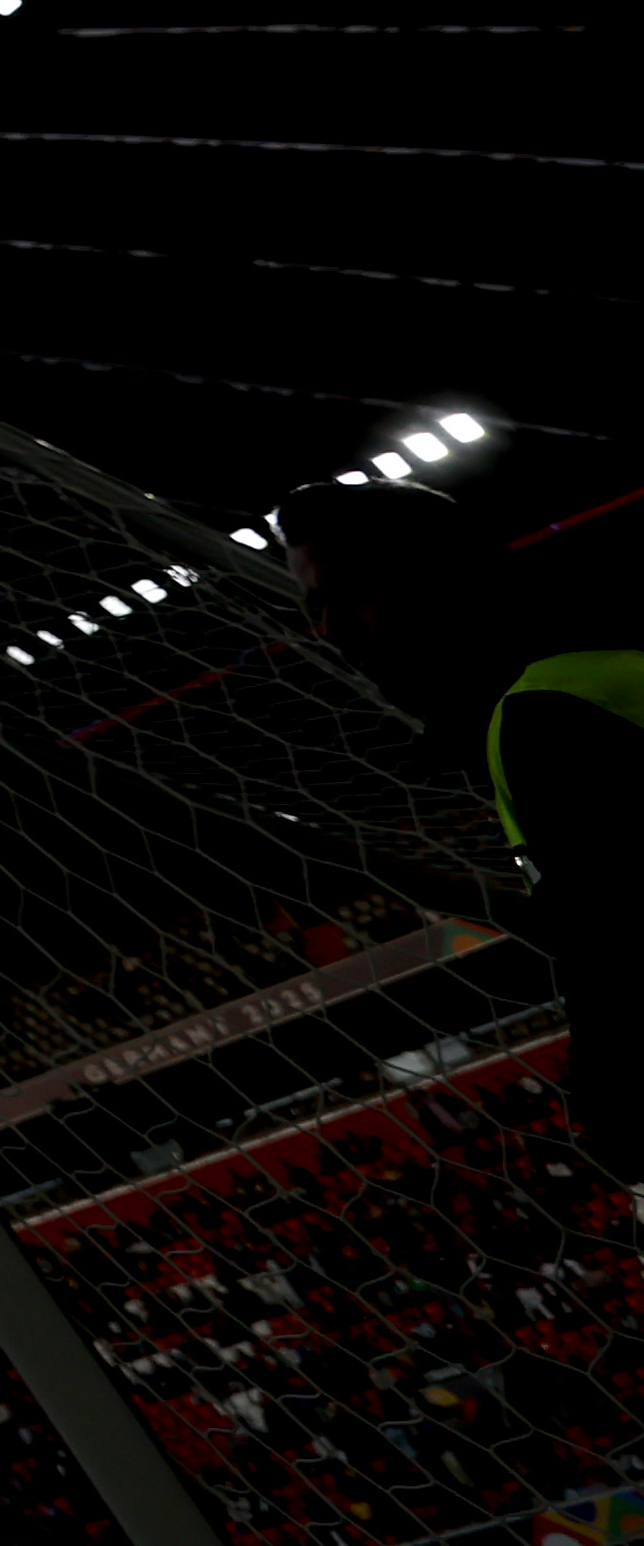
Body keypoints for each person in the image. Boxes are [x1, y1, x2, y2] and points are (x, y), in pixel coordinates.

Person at [276, 472, 632, 1191]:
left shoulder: (550, 718)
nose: (333, 631)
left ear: (452, 576)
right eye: (317, 609)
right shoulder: (586, 675)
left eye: (355, 591)